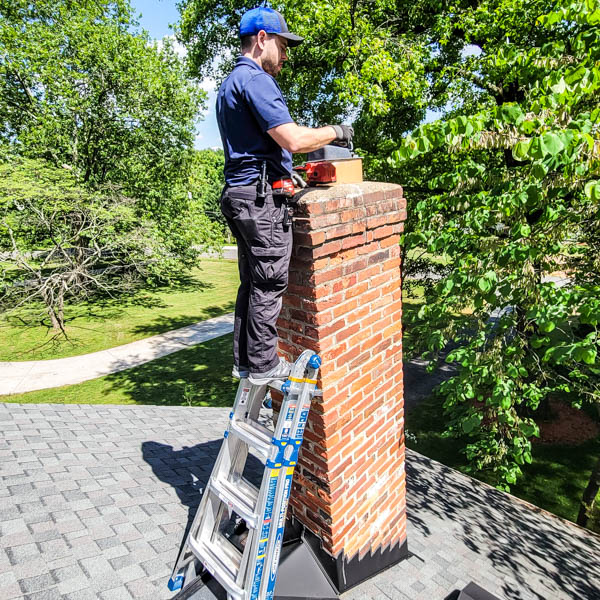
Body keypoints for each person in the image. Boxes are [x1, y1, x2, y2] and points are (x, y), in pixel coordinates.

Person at [216, 6, 353, 385]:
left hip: (239, 195)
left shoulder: (229, 83)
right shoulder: (256, 80)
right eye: (282, 44)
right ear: (262, 40)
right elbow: (293, 138)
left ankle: (244, 362)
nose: (286, 55)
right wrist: (336, 131)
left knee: (253, 281)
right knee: (271, 281)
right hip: (260, 201)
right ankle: (263, 365)